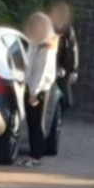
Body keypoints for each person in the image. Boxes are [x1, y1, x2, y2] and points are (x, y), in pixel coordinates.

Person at [21, 12, 58, 168]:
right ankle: (32, 154)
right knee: (31, 122)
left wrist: (35, 92)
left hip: (39, 90)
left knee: (37, 123)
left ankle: (36, 156)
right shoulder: (35, 43)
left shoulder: (47, 45)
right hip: (31, 87)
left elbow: (43, 70)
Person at [47, 1, 79, 111]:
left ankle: (58, 115)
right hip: (49, 68)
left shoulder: (68, 30)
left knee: (66, 101)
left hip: (63, 69)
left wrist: (73, 70)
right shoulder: (47, 28)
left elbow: (73, 50)